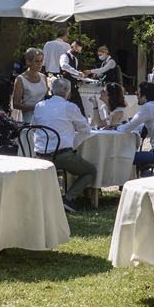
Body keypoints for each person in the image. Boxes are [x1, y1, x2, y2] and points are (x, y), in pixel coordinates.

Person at [31, 78, 98, 210]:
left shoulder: (40, 106)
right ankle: (68, 198)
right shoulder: (70, 107)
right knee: (90, 171)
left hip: (40, 155)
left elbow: (33, 127)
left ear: (51, 91)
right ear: (69, 94)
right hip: (61, 156)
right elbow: (86, 129)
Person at [115, 82, 154, 172]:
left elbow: (126, 128)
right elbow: (143, 125)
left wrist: (116, 127)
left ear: (145, 96)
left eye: (139, 92)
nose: (136, 94)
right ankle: (143, 177)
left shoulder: (148, 107)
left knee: (123, 157)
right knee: (134, 159)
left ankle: (129, 182)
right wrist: (122, 126)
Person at [10, 48, 51, 121]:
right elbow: (16, 104)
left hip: (44, 117)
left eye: (41, 61)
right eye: (37, 61)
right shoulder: (20, 79)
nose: (40, 64)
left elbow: (46, 96)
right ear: (28, 62)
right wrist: (35, 108)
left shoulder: (43, 77)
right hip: (28, 119)